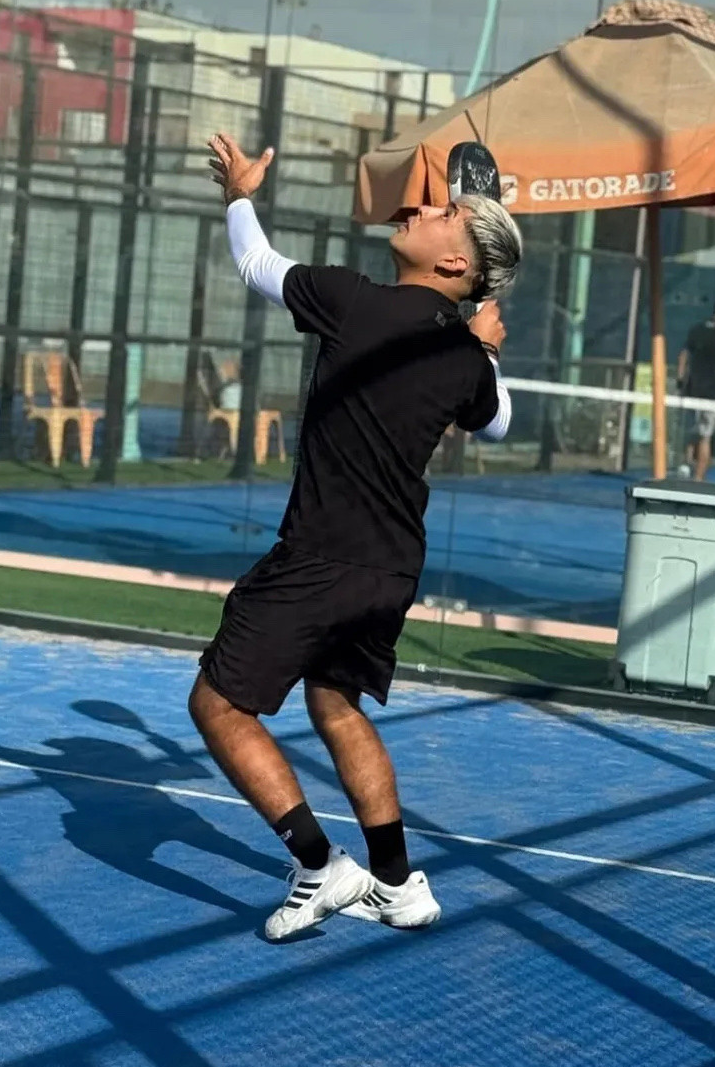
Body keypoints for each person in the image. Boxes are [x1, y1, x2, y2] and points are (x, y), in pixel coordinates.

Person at [189, 133, 522, 941]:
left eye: (443, 213)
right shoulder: (466, 358)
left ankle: (321, 864)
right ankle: (399, 883)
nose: (421, 208)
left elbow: (255, 263)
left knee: (217, 703)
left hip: (320, 557)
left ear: (454, 262)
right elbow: (499, 421)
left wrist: (239, 193)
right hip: (391, 570)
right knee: (334, 703)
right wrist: (484, 345)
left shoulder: (355, 301)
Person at [676, 298, 715, 481]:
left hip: (691, 390)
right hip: (713, 392)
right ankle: (698, 478)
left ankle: (685, 467)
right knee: (705, 436)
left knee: (692, 431)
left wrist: (681, 380)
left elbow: (683, 356)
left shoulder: (697, 329)